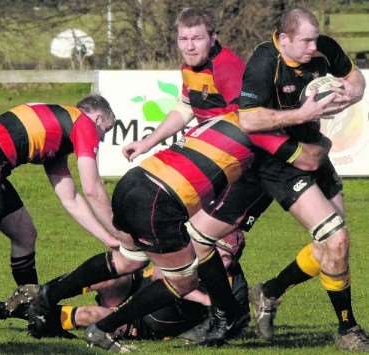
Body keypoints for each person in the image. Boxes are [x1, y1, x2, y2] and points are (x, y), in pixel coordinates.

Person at [121, 6, 332, 343]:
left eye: (197, 39)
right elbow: (185, 107)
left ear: (213, 37)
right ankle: (230, 313)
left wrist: (293, 153)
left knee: (218, 246)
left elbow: (251, 123)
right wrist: (148, 141)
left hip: (242, 170)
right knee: (204, 244)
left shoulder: (229, 68)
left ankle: (229, 316)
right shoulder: (192, 68)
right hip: (215, 169)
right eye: (183, 39)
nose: (189, 46)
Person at [27, 110, 310, 352]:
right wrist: (306, 118)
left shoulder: (227, 116)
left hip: (134, 181)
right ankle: (102, 328)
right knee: (182, 280)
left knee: (130, 260)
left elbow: (187, 114)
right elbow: (308, 161)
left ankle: (47, 294)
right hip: (158, 202)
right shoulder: (260, 130)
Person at [0, 94, 124, 340]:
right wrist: (119, 231)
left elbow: (70, 198)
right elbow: (92, 188)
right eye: (104, 131)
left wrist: (108, 238)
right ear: (96, 118)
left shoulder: (61, 140)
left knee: (25, 234)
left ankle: (32, 310)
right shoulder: (84, 123)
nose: (102, 139)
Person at [238, 7, 368, 351]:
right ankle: (347, 330)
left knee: (334, 245)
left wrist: (346, 95)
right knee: (335, 240)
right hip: (277, 160)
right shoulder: (265, 62)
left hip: (313, 149)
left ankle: (270, 292)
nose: (314, 46)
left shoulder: (323, 47)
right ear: (283, 39)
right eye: (306, 41)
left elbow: (357, 81)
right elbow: (248, 120)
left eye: (315, 39)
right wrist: (303, 113)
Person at [0, 230, 248, 342]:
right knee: (111, 275)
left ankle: (16, 311)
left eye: (229, 258)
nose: (222, 261)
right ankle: (42, 294)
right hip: (138, 291)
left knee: (92, 316)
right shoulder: (191, 256)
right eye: (219, 254)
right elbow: (159, 275)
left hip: (148, 323)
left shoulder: (235, 284)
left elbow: (236, 322)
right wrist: (206, 300)